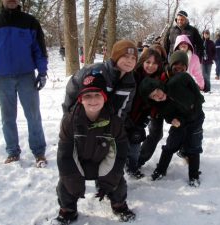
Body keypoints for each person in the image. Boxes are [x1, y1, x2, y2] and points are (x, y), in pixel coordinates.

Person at [54, 74, 135, 224]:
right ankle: (68, 210)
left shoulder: (115, 122)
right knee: (65, 183)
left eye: (97, 95)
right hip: (78, 163)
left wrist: (109, 178)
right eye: (87, 95)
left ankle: (119, 205)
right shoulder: (69, 122)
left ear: (104, 97)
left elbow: (119, 153)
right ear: (81, 99)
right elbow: (64, 154)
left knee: (118, 182)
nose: (92, 100)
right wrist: (74, 181)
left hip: (103, 162)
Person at [0, 0, 48, 166]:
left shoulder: (30, 22)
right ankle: (12, 152)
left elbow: (40, 48)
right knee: (7, 118)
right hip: (3, 77)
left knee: (33, 116)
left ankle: (39, 153)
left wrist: (42, 72)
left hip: (26, 76)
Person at [139, 71, 205, 187]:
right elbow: (168, 116)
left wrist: (198, 98)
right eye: (154, 96)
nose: (158, 96)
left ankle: (194, 176)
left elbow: (186, 76)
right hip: (180, 124)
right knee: (170, 146)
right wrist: (172, 120)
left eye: (158, 91)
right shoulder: (160, 105)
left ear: (160, 86)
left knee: (193, 147)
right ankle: (160, 171)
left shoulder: (176, 83)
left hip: (196, 119)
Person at [62, 39, 138, 124]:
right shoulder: (95, 71)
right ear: (116, 57)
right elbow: (72, 92)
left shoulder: (130, 83)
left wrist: (118, 129)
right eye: (126, 56)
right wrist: (68, 117)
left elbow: (124, 110)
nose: (129, 61)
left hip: (107, 126)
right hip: (82, 122)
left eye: (133, 58)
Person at [126, 48, 164, 179]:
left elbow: (158, 100)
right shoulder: (132, 74)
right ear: (142, 61)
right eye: (148, 62)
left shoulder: (159, 78)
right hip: (126, 115)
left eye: (154, 63)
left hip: (142, 117)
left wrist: (148, 116)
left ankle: (133, 166)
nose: (151, 66)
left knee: (135, 146)